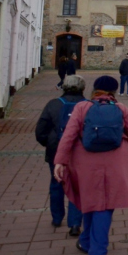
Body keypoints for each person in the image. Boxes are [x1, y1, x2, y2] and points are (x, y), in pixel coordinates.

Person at [54, 76, 128, 255]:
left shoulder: (82, 108)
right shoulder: (121, 109)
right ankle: (98, 253)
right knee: (105, 206)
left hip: (85, 163)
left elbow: (68, 135)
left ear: (94, 90)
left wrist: (60, 161)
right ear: (114, 91)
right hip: (115, 163)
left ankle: (87, 242)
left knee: (90, 201)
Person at [35, 75, 87, 235]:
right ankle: (75, 223)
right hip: (80, 150)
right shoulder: (87, 105)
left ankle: (57, 217)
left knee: (56, 182)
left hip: (56, 149)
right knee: (77, 185)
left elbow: (40, 131)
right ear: (83, 88)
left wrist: (50, 144)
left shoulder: (53, 104)